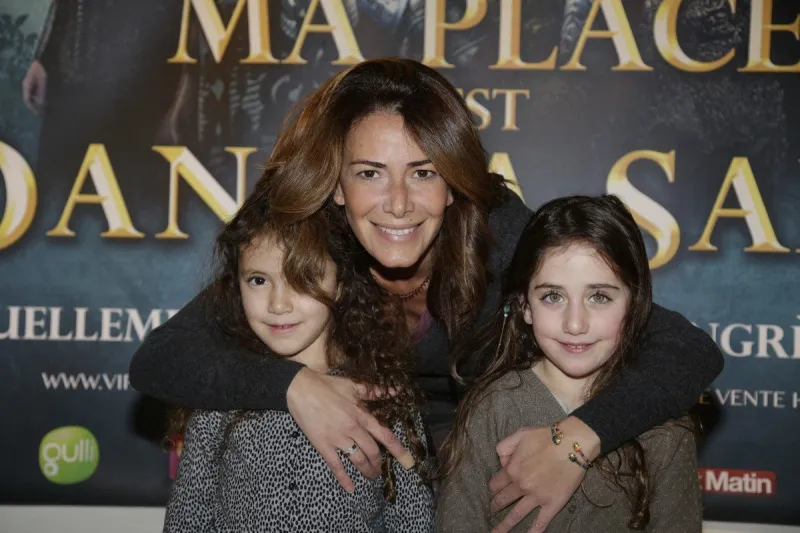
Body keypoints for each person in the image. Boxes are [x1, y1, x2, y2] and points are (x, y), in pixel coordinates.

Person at [131, 58, 722, 529]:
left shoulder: (502, 235)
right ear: (336, 186)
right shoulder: (307, 244)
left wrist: (577, 441)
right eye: (369, 173)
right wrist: (293, 386)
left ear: (454, 183)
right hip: (364, 472)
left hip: (488, 460)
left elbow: (688, 350)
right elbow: (160, 357)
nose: (398, 203)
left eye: (423, 172)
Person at [163, 186, 435, 532]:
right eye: (259, 280)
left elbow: (413, 520)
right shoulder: (222, 395)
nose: (279, 304)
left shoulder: (384, 397)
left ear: (340, 283)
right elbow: (188, 518)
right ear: (237, 286)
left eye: (302, 279)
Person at [436, 195, 702, 532]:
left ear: (635, 305)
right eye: (553, 297)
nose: (575, 324)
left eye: (599, 297)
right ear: (525, 307)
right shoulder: (493, 407)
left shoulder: (665, 428)